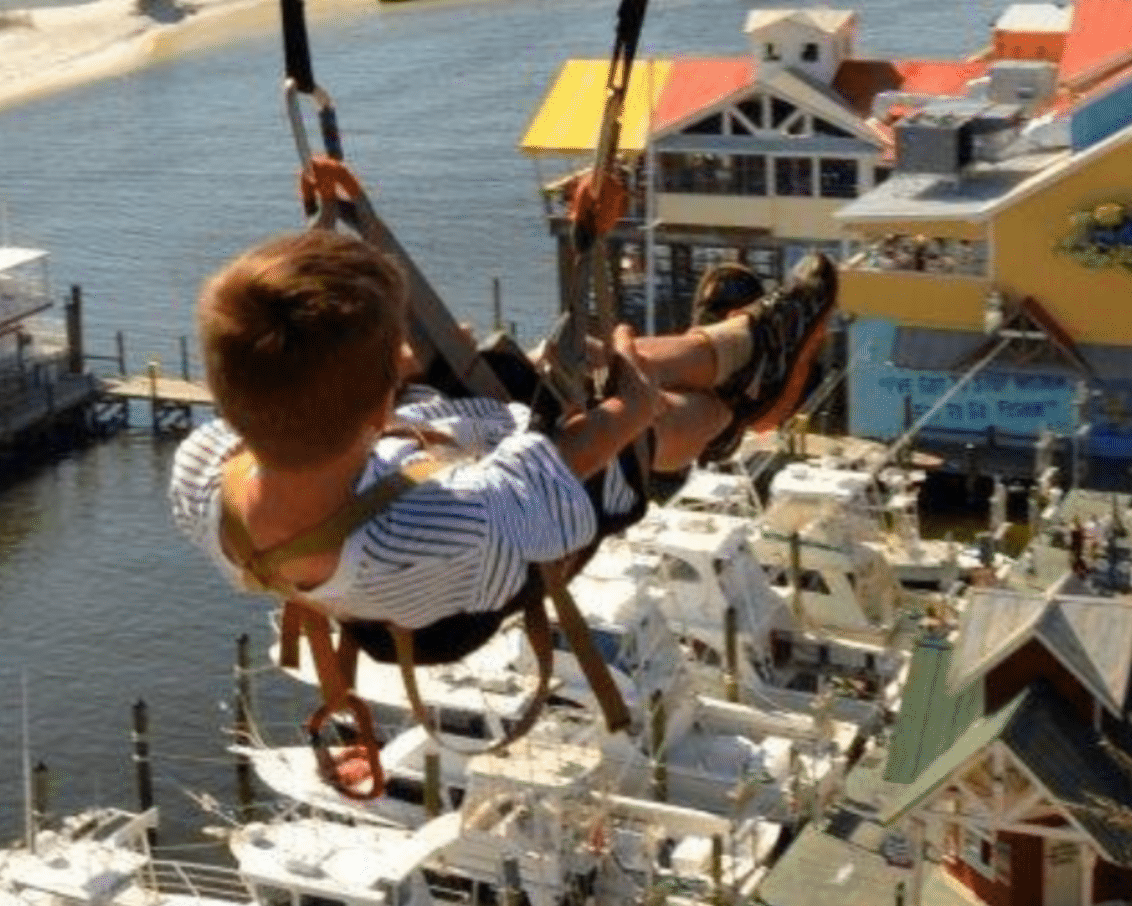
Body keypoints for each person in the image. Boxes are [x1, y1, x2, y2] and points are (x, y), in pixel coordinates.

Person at [167, 227, 835, 634]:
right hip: (489, 562)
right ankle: (738, 401)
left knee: (529, 368)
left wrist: (390, 376)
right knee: (630, 426)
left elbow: (294, 386)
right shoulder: (436, 530)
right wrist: (630, 407)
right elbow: (562, 456)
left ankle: (729, 349)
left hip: (407, 491)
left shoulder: (201, 466)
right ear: (377, 413)